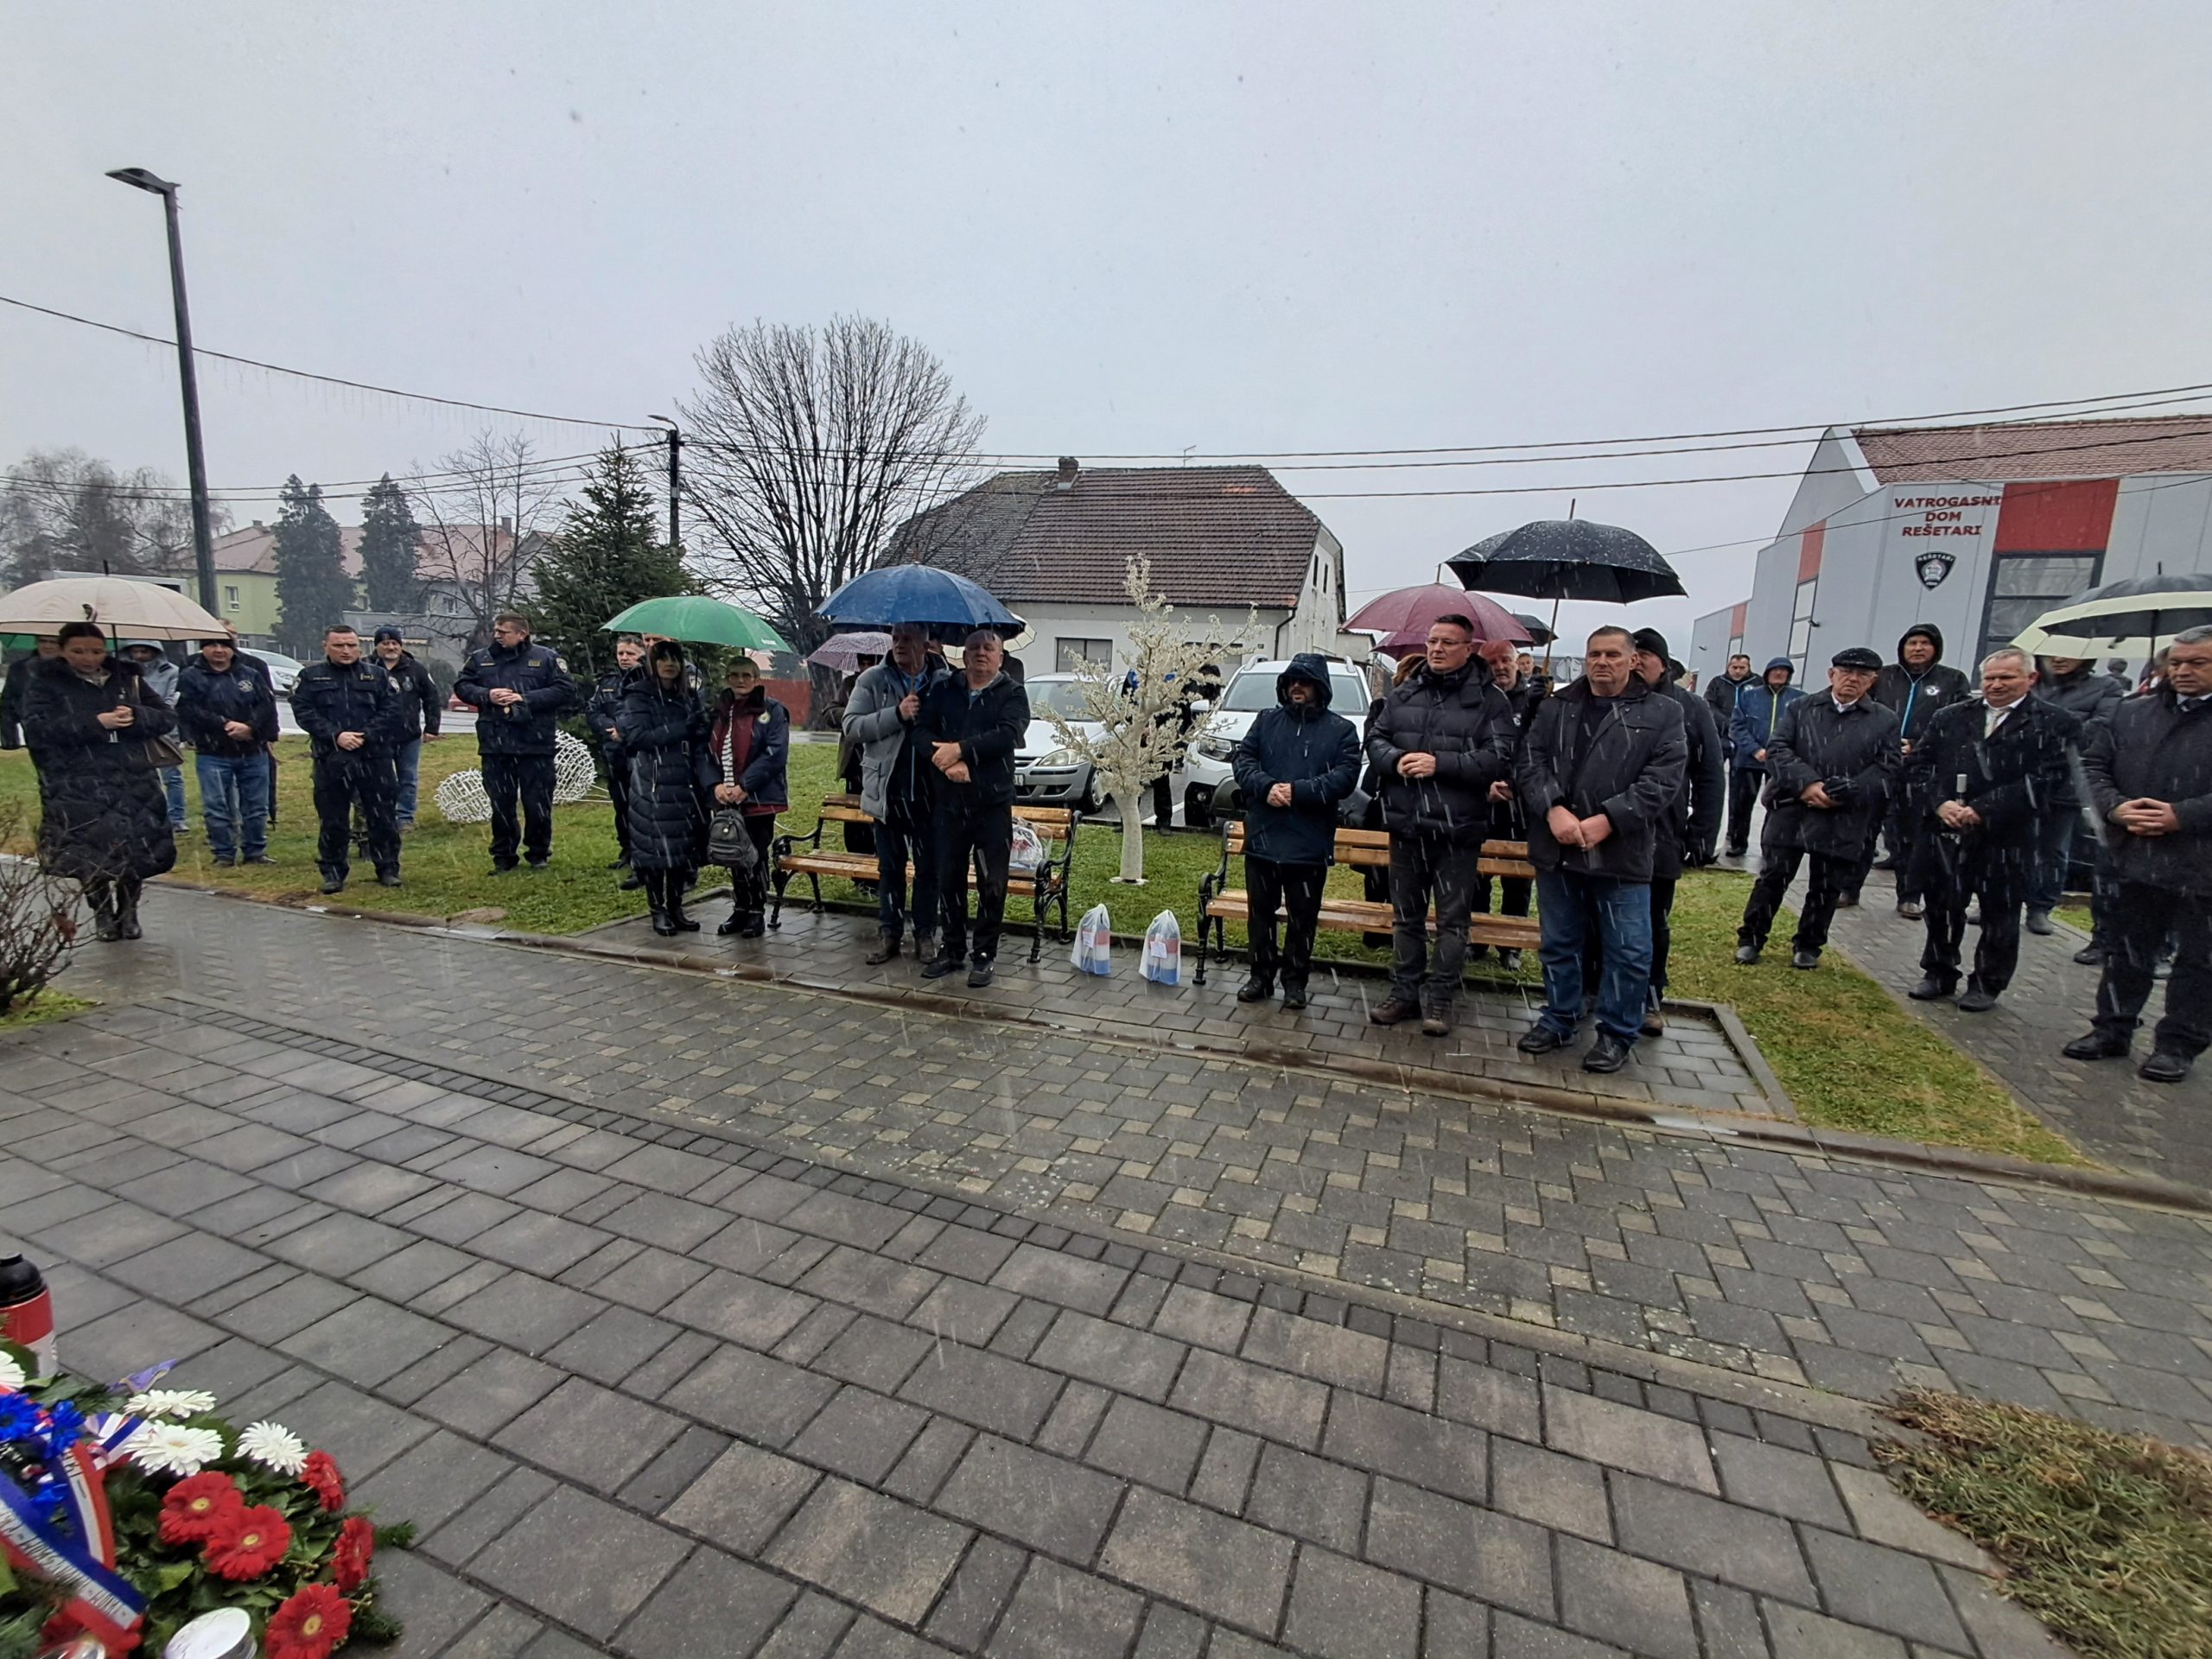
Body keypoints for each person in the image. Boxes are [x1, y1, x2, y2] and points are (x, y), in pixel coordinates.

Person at [1513, 626, 1687, 1072]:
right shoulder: (1555, 707)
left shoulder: (1663, 712)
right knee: (1560, 943)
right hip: (1558, 848)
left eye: (1612, 654)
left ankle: (1616, 1033)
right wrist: (1552, 808)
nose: (1602, 662)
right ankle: (1560, 1017)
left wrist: (1610, 818)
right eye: (1594, 654)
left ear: (1633, 660)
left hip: (1621, 853)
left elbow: (1663, 779)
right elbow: (1530, 761)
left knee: (1628, 951)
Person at [2061, 626, 2212, 1083]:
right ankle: (2112, 1028)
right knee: (2127, 951)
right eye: (2177, 662)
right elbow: (2092, 765)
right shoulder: (2133, 712)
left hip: (2202, 864)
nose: (2183, 671)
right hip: (2136, 856)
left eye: (2198, 663)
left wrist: (2182, 815)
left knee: (2199, 962)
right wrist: (2115, 807)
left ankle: (2178, 1045)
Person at [1363, 614, 1516, 1036]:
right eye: (1432, 641)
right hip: (1407, 825)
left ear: (1469, 649)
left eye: (1448, 642)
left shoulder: (1490, 701)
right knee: (1406, 918)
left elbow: (1499, 758)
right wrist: (1396, 760)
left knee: (1452, 922)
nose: (1437, 649)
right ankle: (1404, 994)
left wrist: (1440, 764)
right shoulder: (1405, 692)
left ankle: (1441, 999)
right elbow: (1375, 740)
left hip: (1457, 831)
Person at [1905, 649, 2075, 1012]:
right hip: (1947, 830)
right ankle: (1938, 970)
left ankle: (1987, 982)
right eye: (1990, 678)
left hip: (2009, 835)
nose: (1996, 685)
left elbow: (2049, 778)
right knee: (1942, 905)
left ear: (2030, 679)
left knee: (2000, 912)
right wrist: (1939, 802)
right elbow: (1919, 765)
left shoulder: (2055, 722)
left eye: (2007, 678)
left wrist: (1984, 809)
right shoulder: (1951, 716)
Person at [1734, 647, 1899, 969]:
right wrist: (1808, 784)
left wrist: (1848, 790)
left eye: (1862, 675)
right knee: (1772, 877)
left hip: (1843, 813)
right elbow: (1778, 750)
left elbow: (1888, 768)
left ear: (1872, 681)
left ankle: (1809, 944)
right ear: (1831, 674)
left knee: (1826, 885)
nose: (1852, 679)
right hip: (1793, 806)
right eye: (1846, 672)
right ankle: (1751, 938)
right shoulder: (1802, 707)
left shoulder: (1884, 720)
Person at [18, 622, 178, 940]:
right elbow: (38, 730)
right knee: (89, 852)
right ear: (63, 651)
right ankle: (102, 912)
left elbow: (165, 717)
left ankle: (129, 911)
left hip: (131, 778)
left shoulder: (127, 678)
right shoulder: (45, 683)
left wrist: (136, 716)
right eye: (78, 651)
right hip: (77, 782)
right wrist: (95, 723)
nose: (88, 658)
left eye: (96, 651)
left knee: (135, 849)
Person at [1230, 653, 1360, 1009]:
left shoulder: (1341, 730)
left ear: (1320, 687)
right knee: (1261, 914)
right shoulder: (1266, 721)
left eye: (1304, 681)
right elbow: (1243, 760)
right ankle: (1260, 976)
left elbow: (1345, 777)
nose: (1297, 687)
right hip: (1264, 837)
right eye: (1291, 681)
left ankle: (1295, 982)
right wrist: (1266, 786)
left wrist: (1299, 791)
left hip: (1309, 843)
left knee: (1303, 918)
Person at [918, 628, 1030, 988]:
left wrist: (962, 751)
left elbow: (1008, 735)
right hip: (949, 803)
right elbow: (921, 732)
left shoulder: (1012, 693)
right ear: (964, 656)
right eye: (974, 648)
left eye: (988, 648)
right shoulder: (944, 690)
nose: (981, 653)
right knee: (948, 878)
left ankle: (984, 954)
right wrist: (945, 762)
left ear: (1000, 657)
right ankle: (952, 949)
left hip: (991, 804)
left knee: (991, 882)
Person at [1626, 629, 1723, 1033]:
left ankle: (1649, 995)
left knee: (1652, 921)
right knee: (1600, 917)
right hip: (1609, 830)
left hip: (1663, 832)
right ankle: (1595, 988)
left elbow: (1710, 774)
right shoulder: (1611, 699)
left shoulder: (1690, 707)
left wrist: (1701, 834)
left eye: (1644, 656)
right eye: (1632, 655)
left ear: (1663, 664)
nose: (1636, 663)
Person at [843, 623, 951, 964]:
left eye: (908, 639)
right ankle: (889, 934)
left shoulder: (945, 681)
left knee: (928, 870)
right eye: (896, 638)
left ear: (926, 645)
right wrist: (897, 714)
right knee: (890, 870)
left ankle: (924, 935)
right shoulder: (872, 680)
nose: (900, 645)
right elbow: (852, 727)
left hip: (931, 795)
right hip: (889, 793)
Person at [454, 611, 577, 873]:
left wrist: (525, 699)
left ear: (522, 634)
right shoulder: (481, 659)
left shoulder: (546, 658)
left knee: (537, 803)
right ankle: (504, 855)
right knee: (501, 803)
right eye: (496, 631)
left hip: (535, 743)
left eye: (504, 632)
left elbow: (565, 690)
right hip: (496, 743)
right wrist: (487, 695)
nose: (497, 636)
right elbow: (463, 686)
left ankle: (538, 852)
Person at [1860, 624, 1971, 912]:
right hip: (1879, 765)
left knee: (1911, 835)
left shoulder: (1952, 680)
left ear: (1936, 648)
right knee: (1863, 830)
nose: (1918, 648)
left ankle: (1909, 895)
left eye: (1925, 643)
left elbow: (1959, 724)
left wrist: (1918, 744)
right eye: (1912, 643)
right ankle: (1848, 888)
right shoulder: (1884, 677)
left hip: (1921, 769)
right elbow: (1862, 713)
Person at [292, 626, 404, 894]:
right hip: (332, 756)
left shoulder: (378, 676)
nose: (346, 651)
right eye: (339, 645)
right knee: (333, 818)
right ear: (326, 647)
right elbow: (304, 711)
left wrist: (366, 735)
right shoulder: (311, 677)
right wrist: (336, 735)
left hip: (374, 755)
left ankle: (387, 868)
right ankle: (333, 871)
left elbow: (392, 710)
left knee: (382, 816)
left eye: (351, 645)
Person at [621, 640, 715, 937]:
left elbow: (697, 738)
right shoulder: (639, 695)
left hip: (685, 780)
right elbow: (638, 738)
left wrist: (703, 726)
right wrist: (683, 727)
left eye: (674, 659)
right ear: (653, 663)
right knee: (655, 850)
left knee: (680, 848)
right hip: (654, 781)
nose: (669, 664)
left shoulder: (689, 696)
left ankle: (676, 907)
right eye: (663, 659)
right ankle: (657, 909)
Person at [2029, 656, 2124, 937]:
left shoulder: (2106, 687)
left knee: (2053, 849)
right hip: (2023, 775)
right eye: (2053, 653)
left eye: (2067, 653)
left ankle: (2040, 907)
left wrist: (2055, 736)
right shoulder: (2032, 682)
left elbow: (2102, 726)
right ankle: (2000, 899)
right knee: (2008, 844)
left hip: (2067, 780)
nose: (2059, 659)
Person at [175, 633, 281, 867]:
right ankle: (223, 853)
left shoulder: (250, 674)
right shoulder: (190, 677)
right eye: (212, 645)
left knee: (256, 806)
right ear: (203, 649)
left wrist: (250, 727)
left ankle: (255, 851)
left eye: (224, 645)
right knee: (216, 806)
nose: (219, 650)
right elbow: (188, 710)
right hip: (212, 753)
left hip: (252, 750)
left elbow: (266, 705)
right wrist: (223, 724)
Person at [1471, 639, 1541, 973]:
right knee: (1476, 877)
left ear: (1517, 662)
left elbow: (1542, 754)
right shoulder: (1476, 701)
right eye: (1491, 662)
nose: (1499, 667)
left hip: (1522, 807)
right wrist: (1483, 784)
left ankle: (1511, 944)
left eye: (1505, 660)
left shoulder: (1535, 702)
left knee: (1518, 881)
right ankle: (1476, 938)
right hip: (1480, 803)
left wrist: (1518, 785)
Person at [709, 656, 791, 938]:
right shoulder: (719, 711)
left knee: (755, 854)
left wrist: (746, 786)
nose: (740, 680)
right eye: (734, 675)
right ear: (727, 678)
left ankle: (757, 910)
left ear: (757, 679)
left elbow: (775, 754)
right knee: (733, 852)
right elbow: (706, 751)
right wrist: (716, 785)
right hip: (725, 797)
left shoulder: (772, 711)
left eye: (746, 675)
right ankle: (740, 908)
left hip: (759, 798)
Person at [1725, 658, 1802, 857]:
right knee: (1741, 804)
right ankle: (1738, 843)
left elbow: (1801, 731)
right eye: (1775, 670)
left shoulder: (1799, 700)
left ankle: (1770, 846)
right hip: (1748, 761)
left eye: (1784, 671)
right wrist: (1754, 750)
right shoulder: (1749, 696)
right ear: (1767, 673)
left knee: (1777, 806)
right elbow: (1737, 727)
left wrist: (1782, 753)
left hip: (1781, 763)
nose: (1779, 674)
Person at [588, 637, 646, 887]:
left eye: (630, 653)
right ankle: (626, 850)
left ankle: (642, 854)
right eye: (621, 653)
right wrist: (609, 728)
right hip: (614, 753)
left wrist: (625, 730)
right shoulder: (609, 682)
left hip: (638, 753)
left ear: (642, 655)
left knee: (640, 808)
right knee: (620, 805)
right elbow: (593, 711)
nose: (624, 658)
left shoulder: (647, 681)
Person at [371, 626, 442, 831]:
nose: (390, 647)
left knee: (408, 777)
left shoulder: (416, 669)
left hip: (408, 735)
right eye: (385, 643)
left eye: (395, 643)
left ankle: (404, 816)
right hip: (376, 736)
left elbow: (432, 698)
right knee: (380, 778)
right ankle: (382, 814)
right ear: (377, 646)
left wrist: (432, 728)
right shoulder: (366, 668)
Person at [120, 641, 188, 836]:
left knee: (171, 776)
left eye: (144, 651)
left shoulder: (171, 671)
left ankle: (177, 818)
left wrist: (150, 717)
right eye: (135, 652)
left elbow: (171, 700)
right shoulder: (124, 673)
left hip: (163, 731)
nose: (139, 656)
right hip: (134, 731)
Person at [0, 636, 60, 749]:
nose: (47, 646)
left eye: (53, 642)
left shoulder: (75, 669)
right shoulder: (19, 669)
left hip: (70, 733)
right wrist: (10, 741)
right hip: (34, 732)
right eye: (43, 641)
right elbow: (7, 706)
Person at [1705, 652, 1755, 731]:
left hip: (1749, 729)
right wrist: (1724, 721)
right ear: (1728, 667)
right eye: (1734, 667)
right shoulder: (1717, 682)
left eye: (1742, 668)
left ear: (1749, 668)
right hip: (1722, 729)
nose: (1738, 671)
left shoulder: (1758, 682)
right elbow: (1709, 704)